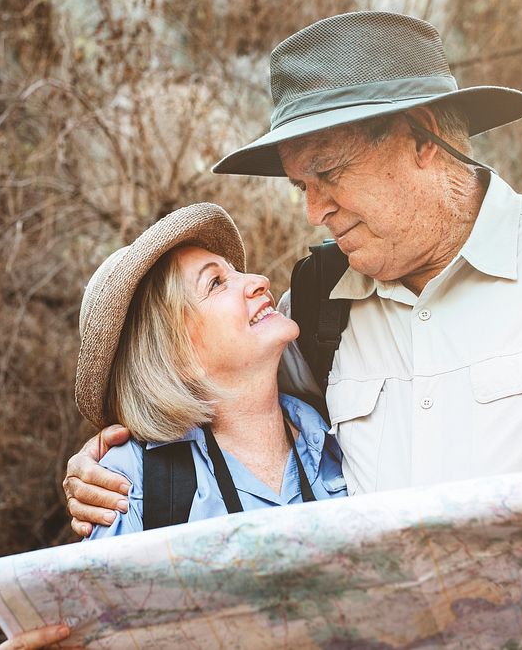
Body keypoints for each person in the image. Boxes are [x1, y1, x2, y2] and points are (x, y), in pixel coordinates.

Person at [62, 12, 522, 649]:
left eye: (330, 174)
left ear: (424, 138)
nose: (312, 210)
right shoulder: (317, 306)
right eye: (301, 186)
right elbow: (216, 399)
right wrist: (109, 461)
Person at [74, 202, 347, 537]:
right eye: (216, 282)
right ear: (175, 355)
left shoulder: (337, 419)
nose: (259, 280)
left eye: (235, 271)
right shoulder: (133, 485)